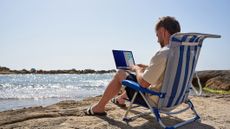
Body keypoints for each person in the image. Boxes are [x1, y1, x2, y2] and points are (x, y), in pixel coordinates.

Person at [85, 16, 181, 115]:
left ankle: (99, 107)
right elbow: (168, 70)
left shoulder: (163, 53)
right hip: (176, 99)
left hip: (157, 100)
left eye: (157, 36)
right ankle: (120, 99)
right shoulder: (182, 53)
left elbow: (143, 84)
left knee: (121, 73)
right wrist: (148, 67)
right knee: (136, 77)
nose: (157, 40)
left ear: (163, 31)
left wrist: (137, 69)